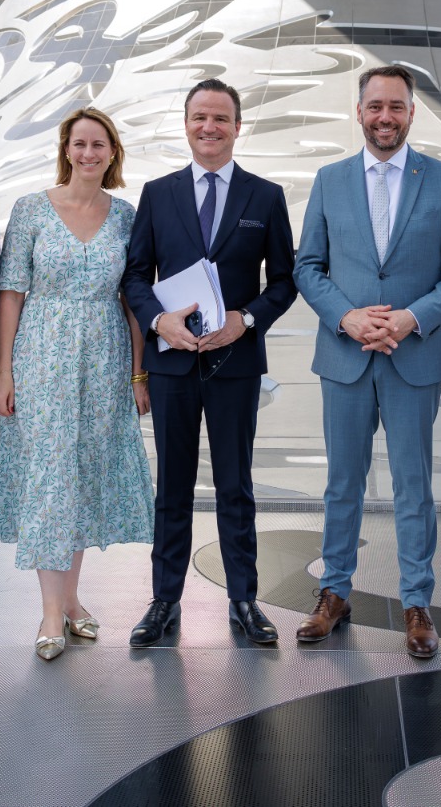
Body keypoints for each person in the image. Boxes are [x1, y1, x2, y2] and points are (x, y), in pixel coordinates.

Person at [293, 65, 441, 658]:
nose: (385, 117)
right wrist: (347, 317)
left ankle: (417, 602)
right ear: (359, 111)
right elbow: (307, 267)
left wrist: (410, 318)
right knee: (342, 483)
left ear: (412, 113)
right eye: (375, 106)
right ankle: (334, 592)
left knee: (413, 486)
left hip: (412, 355)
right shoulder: (330, 180)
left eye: (396, 106)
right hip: (345, 355)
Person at [122, 79, 297, 648]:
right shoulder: (158, 194)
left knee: (235, 485)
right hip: (172, 364)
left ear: (238, 126)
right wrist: (158, 322)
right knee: (171, 486)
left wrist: (246, 319)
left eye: (221, 118)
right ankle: (164, 600)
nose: (209, 127)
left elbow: (285, 281)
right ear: (186, 124)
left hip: (234, 364)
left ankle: (244, 599)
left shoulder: (265, 197)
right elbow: (135, 275)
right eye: (200, 117)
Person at [0, 108, 154, 661]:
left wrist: (137, 374)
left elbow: (133, 301)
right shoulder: (31, 209)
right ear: (66, 149)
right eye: (79, 144)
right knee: (49, 479)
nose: (88, 153)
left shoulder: (126, 216)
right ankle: (50, 611)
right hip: (43, 358)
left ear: (112, 153)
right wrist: (5, 371)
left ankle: (72, 599)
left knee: (82, 479)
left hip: (105, 360)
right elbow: (11, 293)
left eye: (98, 144)